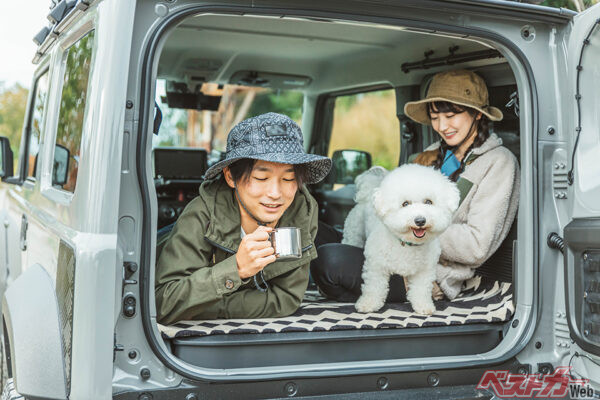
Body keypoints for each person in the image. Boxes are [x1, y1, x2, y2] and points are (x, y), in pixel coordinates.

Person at [311, 69, 519, 302]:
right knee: (310, 232)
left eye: (451, 116)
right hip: (387, 249)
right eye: (435, 117)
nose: (442, 126)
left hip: (425, 274)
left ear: (477, 114)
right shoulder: (430, 153)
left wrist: (413, 224)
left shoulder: (498, 163)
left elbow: (476, 245)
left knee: (330, 260)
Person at [155, 112, 331, 324]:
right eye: (261, 178)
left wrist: (203, 305)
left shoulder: (301, 210)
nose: (276, 193)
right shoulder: (201, 215)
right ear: (231, 177)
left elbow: (286, 300)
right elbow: (164, 302)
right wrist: (236, 269)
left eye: (288, 178)